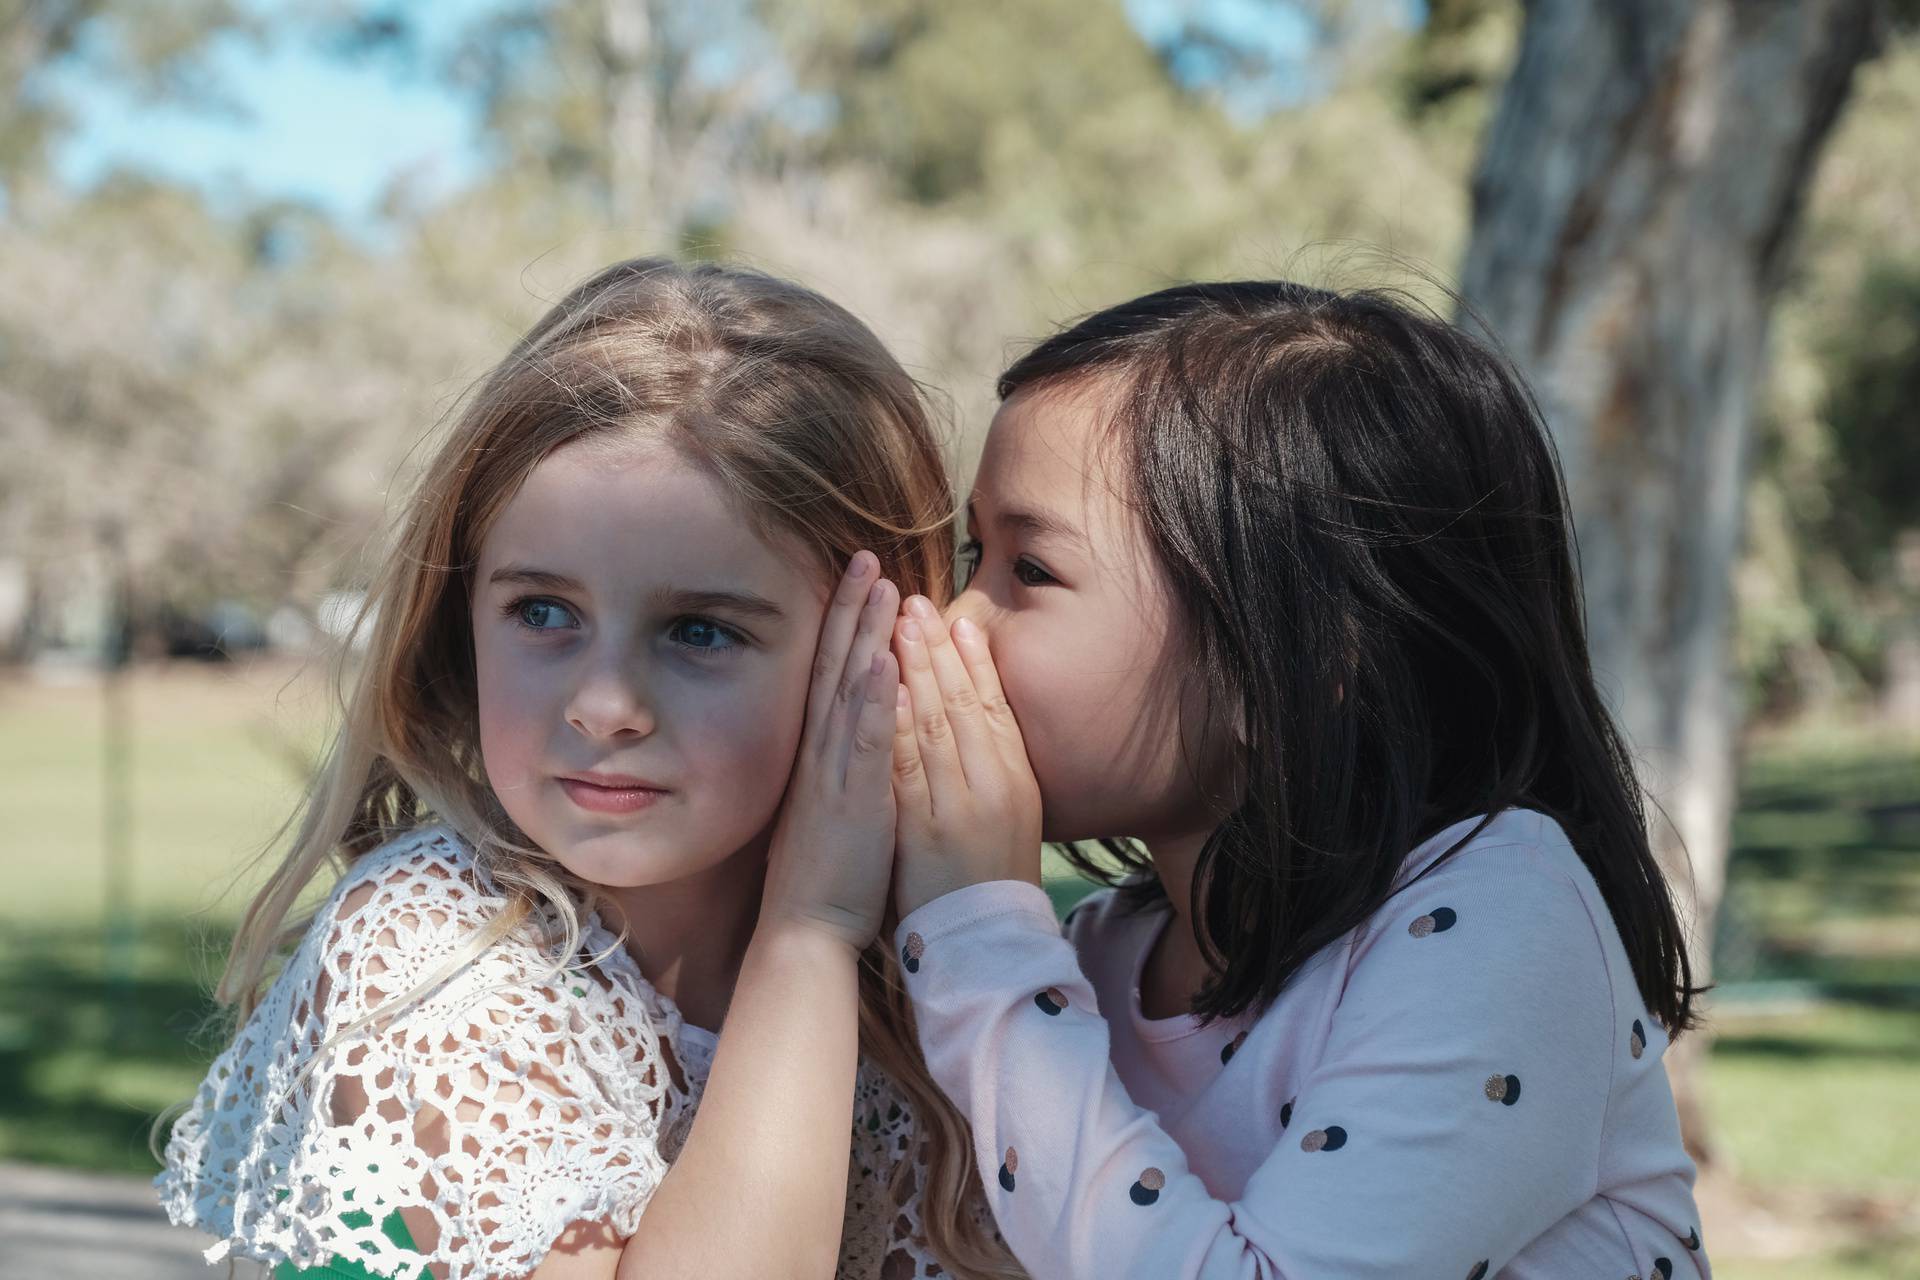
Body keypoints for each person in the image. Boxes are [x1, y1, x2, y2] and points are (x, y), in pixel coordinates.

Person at [156, 257, 1021, 1280]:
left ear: (871, 649)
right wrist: (809, 936)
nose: (604, 705)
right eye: (544, 612)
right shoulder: (431, 948)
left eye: (700, 629)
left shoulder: (936, 984)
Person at [884, 280, 1712, 1279]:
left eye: (1030, 571)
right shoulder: (1096, 958)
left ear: (1287, 659)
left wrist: (980, 932)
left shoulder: (1504, 912)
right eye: (977, 552)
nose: (949, 623)